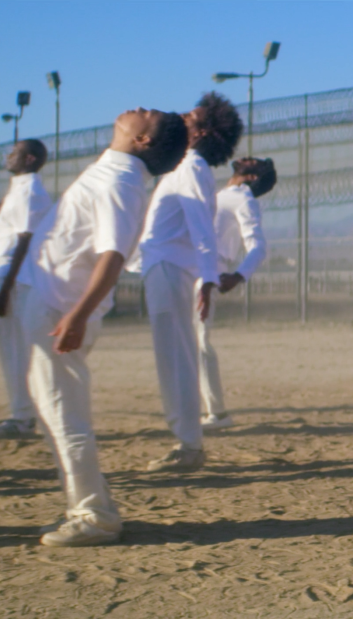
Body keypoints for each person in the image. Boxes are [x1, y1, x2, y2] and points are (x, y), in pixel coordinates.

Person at [18, 107, 188, 546]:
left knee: (64, 413)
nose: (139, 109)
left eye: (147, 115)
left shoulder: (120, 182)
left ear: (144, 140)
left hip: (60, 311)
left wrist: (77, 314)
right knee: (56, 413)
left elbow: (112, 255)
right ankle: (89, 507)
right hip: (53, 303)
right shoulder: (113, 171)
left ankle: (95, 516)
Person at [132, 92, 243, 472]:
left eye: (191, 117)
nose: (182, 116)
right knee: (174, 357)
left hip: (171, 269)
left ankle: (189, 445)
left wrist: (208, 282)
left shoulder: (193, 166)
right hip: (164, 266)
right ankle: (187, 442)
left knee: (175, 358)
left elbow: (202, 228)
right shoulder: (183, 165)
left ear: (202, 132)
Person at [0, 139, 54, 440]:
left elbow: (24, 241)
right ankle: (23, 413)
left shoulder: (31, 191)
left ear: (29, 159)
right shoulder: (20, 187)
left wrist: (4, 290)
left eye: (14, 153)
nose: (8, 157)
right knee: (11, 350)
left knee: (15, 351)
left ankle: (23, 417)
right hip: (6, 277)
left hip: (15, 281)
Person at [198, 157, 276, 431]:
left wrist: (239, 276)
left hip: (207, 272)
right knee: (189, 342)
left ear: (252, 177)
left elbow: (258, 246)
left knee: (199, 342)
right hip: (191, 268)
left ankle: (217, 414)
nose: (245, 157)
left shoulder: (243, 199)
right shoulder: (222, 194)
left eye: (253, 162)